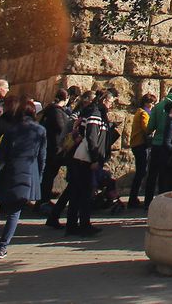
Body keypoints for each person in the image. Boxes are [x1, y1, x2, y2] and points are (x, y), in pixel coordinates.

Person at [0, 97, 46, 259]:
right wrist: (39, 179)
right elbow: (42, 157)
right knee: (14, 213)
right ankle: (2, 247)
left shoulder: (11, 130)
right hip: (29, 175)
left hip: (9, 173)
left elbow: (0, 157)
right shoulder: (40, 130)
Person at [62, 90, 114, 237]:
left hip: (83, 159)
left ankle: (73, 225)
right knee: (84, 193)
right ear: (104, 101)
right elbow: (92, 137)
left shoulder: (93, 112)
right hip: (86, 160)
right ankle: (82, 224)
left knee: (78, 192)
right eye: (110, 102)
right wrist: (95, 159)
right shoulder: (95, 114)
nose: (111, 105)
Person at [126, 93, 155, 207]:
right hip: (141, 145)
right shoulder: (144, 113)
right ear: (146, 103)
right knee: (141, 172)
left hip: (136, 144)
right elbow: (147, 128)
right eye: (151, 103)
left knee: (140, 172)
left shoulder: (138, 112)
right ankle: (133, 199)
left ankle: (133, 198)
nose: (152, 105)